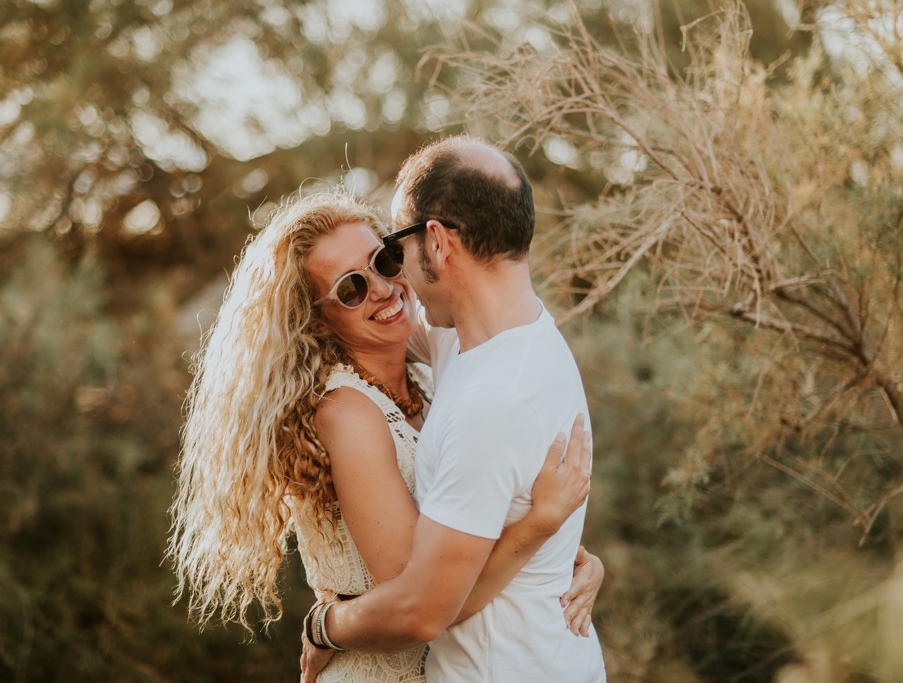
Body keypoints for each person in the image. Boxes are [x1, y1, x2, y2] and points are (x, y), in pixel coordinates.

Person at [169, 188, 604, 683]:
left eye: (386, 259)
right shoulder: (347, 413)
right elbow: (421, 603)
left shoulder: (428, 373)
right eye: (351, 288)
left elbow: (475, 519)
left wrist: (567, 563)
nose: (382, 287)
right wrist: (539, 526)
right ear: (317, 319)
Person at [301, 138, 606, 683]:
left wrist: (324, 624)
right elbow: (374, 324)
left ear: (438, 243)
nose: (391, 281)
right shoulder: (492, 338)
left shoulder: (493, 400)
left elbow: (422, 611)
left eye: (393, 250)